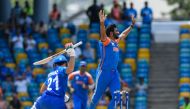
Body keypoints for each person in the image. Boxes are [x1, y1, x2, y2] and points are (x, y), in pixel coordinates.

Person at [89, 10, 135, 109]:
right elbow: (102, 36)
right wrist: (102, 23)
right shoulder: (107, 42)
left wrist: (131, 26)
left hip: (114, 73)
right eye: (116, 30)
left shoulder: (116, 41)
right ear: (111, 33)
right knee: (96, 96)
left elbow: (123, 34)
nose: (118, 32)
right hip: (103, 73)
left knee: (117, 96)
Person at [31, 43, 75, 109]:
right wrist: (72, 54)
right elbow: (70, 69)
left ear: (54, 65)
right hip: (56, 101)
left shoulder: (50, 74)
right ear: (65, 64)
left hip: (43, 100)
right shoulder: (62, 69)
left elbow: (42, 91)